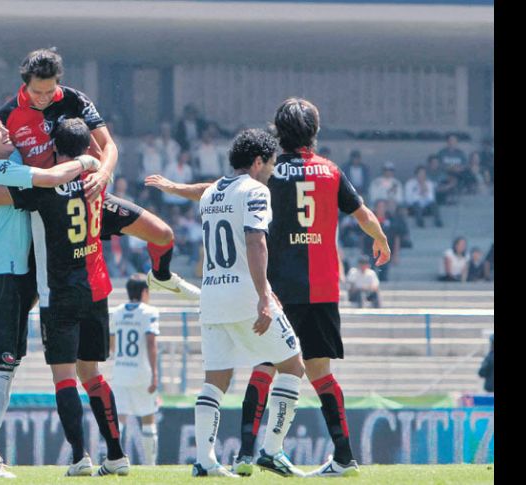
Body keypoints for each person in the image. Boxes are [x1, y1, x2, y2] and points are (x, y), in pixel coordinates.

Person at [147, 98, 391, 478]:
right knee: (319, 372)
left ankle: (247, 452)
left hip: (274, 287)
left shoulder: (270, 174)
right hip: (321, 286)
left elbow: (217, 189)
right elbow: (363, 214)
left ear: (279, 132)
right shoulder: (330, 172)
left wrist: (175, 188)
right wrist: (380, 239)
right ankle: (343, 455)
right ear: (315, 131)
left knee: (264, 367)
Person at [0, 47, 199, 310]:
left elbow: (109, 146)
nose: (43, 98)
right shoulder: (6, 116)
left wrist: (104, 175)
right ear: (24, 85)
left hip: (88, 194)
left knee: (163, 234)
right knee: (31, 297)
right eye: (37, 92)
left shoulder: (74, 100)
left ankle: (161, 277)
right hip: (43, 204)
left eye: (50, 91)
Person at [0, 115, 129, 477]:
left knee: (9, 366)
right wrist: (88, 161)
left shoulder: (12, 161)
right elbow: (50, 178)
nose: (5, 130)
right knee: (1, 364)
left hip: (17, 277)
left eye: (3, 126)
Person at [153, 129, 307, 477]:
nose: (271, 171)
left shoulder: (213, 192)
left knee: (215, 381)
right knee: (294, 365)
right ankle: (271, 449)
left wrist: (175, 188)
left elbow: (201, 189)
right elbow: (256, 242)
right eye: (269, 164)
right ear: (257, 162)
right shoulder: (256, 190)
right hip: (244, 295)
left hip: (211, 297)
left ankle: (205, 460)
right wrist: (264, 295)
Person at [109, 274, 160, 466]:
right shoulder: (150, 312)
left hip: (121, 371)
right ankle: (150, 464)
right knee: (148, 417)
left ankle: (115, 458)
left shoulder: (117, 312)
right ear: (145, 292)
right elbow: (151, 342)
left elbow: (112, 343)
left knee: (119, 418)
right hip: (142, 372)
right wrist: (155, 374)